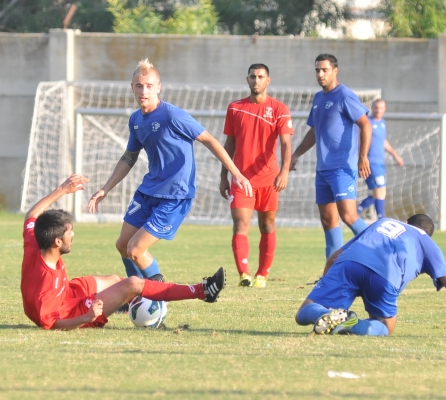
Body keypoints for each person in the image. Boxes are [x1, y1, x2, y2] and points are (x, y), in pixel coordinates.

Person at [88, 58, 252, 283]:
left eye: (149, 86)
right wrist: (105, 189)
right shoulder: (136, 120)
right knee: (123, 245)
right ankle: (134, 295)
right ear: (132, 87)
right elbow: (129, 157)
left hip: (174, 195)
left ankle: (159, 296)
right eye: (139, 86)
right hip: (148, 191)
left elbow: (209, 140)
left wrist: (235, 172)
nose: (144, 91)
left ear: (158, 87)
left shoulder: (172, 116)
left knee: (136, 250)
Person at [21, 174, 226, 330]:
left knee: (114, 280)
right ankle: (203, 291)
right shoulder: (46, 286)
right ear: (57, 241)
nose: (73, 235)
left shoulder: (36, 241)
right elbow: (50, 323)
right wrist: (87, 317)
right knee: (133, 284)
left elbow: (32, 215)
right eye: (69, 232)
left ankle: (126, 301)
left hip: (68, 293)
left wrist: (62, 190)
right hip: (71, 312)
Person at [295, 214, 446, 338]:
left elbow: (334, 257)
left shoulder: (384, 222)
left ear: (406, 222)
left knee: (304, 312)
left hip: (350, 263)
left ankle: (323, 313)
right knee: (386, 326)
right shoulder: (428, 243)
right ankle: (352, 323)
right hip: (385, 276)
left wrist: (324, 287)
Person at [290, 54, 372, 259]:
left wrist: (363, 156)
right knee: (328, 221)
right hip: (323, 170)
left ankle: (380, 249)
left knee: (349, 216)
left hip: (342, 168)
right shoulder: (319, 98)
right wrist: (296, 154)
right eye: (317, 70)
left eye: (324, 70)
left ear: (335, 71)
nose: (320, 74)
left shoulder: (345, 95)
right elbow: (314, 131)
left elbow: (365, 124)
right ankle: (332, 270)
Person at [219, 63, 293, 288]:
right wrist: (223, 176)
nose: (256, 80)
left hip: (269, 179)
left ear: (268, 80)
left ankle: (262, 274)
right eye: (253, 76)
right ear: (247, 80)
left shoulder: (279, 109)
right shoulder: (235, 108)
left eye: (261, 76)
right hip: (241, 179)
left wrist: (284, 172)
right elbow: (229, 144)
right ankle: (244, 274)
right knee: (240, 224)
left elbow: (286, 144)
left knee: (266, 225)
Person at [357, 99, 403, 219]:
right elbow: (360, 141)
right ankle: (381, 219)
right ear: (372, 108)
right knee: (380, 191)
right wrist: (362, 158)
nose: (378, 110)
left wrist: (395, 155)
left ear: (385, 109)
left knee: (379, 193)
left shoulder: (382, 123)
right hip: (371, 162)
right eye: (376, 107)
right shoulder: (368, 122)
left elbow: (383, 141)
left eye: (381, 108)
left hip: (379, 162)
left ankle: (356, 212)